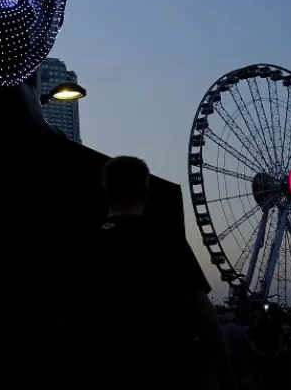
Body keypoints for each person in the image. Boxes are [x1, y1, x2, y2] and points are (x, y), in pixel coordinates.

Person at [69, 156, 236, 390]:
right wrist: (227, 381)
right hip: (163, 374)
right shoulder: (167, 240)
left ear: (105, 189)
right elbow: (206, 318)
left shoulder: (83, 243)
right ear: (146, 191)